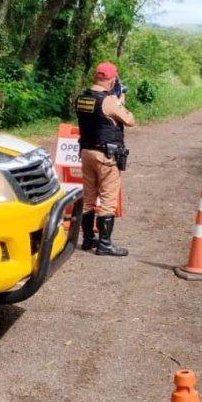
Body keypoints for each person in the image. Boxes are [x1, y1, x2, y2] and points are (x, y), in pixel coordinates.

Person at [75, 61, 135, 256]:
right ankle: (105, 244)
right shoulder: (109, 101)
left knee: (89, 199)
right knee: (108, 200)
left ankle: (87, 239)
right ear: (111, 79)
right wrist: (120, 98)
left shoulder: (82, 98)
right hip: (105, 156)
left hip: (86, 153)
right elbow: (129, 119)